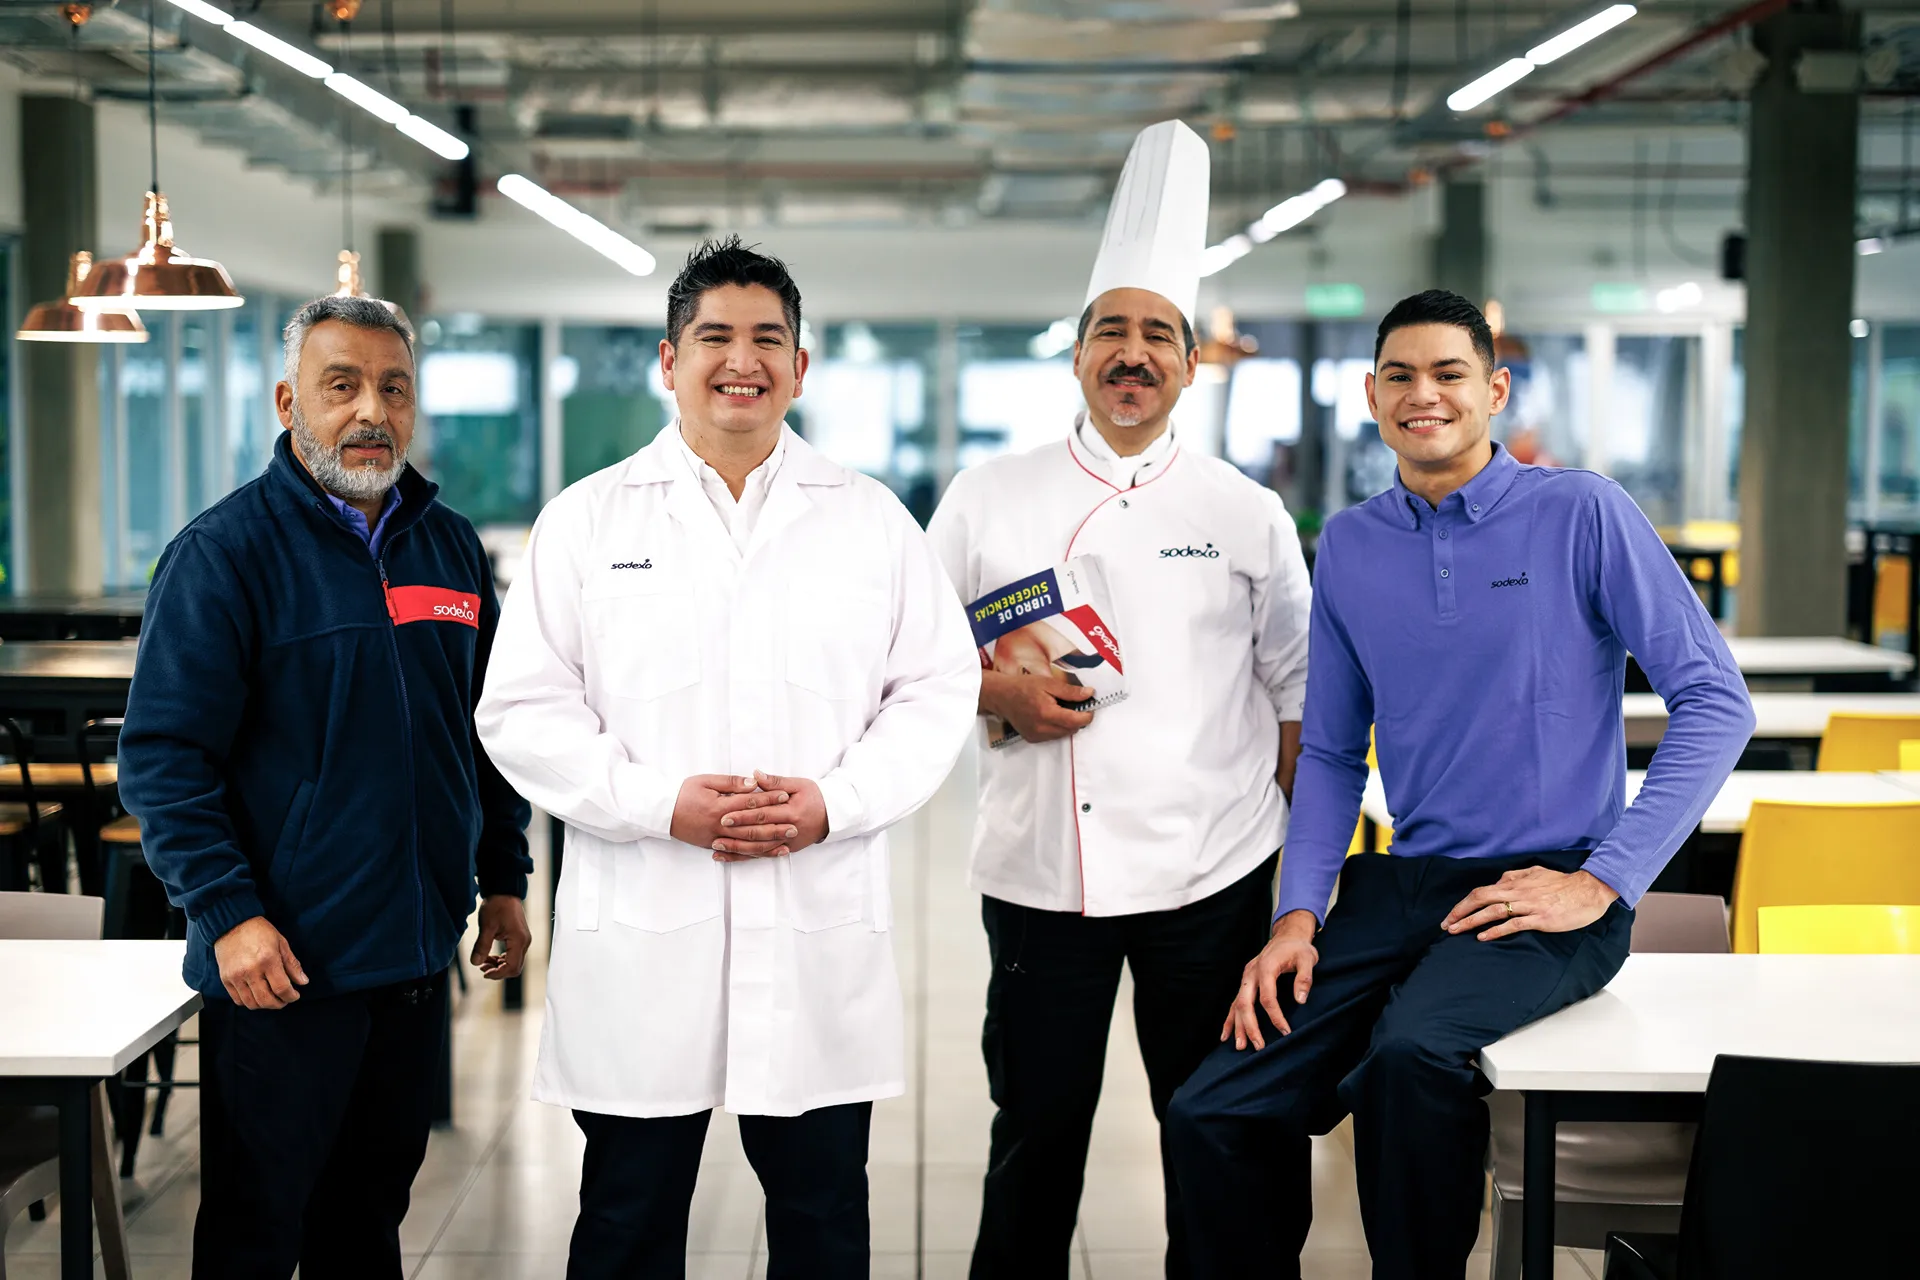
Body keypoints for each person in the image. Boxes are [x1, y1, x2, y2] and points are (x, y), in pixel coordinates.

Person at [1165, 290, 1757, 1279]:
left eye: (1449, 373)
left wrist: (1603, 880)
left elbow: (1716, 702)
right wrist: (1296, 915)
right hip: (1403, 885)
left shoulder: (1581, 512)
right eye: (1400, 376)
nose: (1424, 394)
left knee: (1408, 1060)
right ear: (1371, 396)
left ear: (1496, 389)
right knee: (1215, 1105)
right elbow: (1330, 752)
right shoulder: (1352, 543)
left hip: (1550, 884)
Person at [474, 237, 980, 1278]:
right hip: (645, 936)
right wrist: (660, 802)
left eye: (767, 339)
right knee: (626, 1221)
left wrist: (836, 801)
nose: (741, 360)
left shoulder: (872, 521)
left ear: (801, 365)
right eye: (714, 337)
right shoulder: (587, 521)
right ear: (670, 360)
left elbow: (937, 690)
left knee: (823, 1221)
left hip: (813, 933)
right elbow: (522, 709)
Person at [927, 121, 1313, 1279]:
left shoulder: (1245, 510)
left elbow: (1298, 699)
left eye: (1157, 336)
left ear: (1190, 365)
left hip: (1215, 873)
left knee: (1220, 1134)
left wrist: (1298, 897)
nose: (1133, 354)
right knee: (1035, 1136)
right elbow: (911, 660)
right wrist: (998, 686)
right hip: (1043, 874)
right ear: (1079, 355)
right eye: (1112, 332)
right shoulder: (988, 494)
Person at [119, 294, 533, 1280]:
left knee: (369, 1221)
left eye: (394, 388)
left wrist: (504, 878)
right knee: (258, 1233)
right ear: (288, 401)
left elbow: (487, 734)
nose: (370, 410)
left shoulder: (449, 547)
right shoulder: (225, 554)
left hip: (411, 955)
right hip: (280, 965)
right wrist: (228, 915)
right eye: (340, 385)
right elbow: (164, 757)